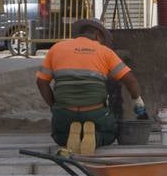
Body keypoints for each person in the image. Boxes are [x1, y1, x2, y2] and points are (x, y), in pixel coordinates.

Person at [37, 18, 146, 155]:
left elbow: (41, 82)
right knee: (110, 133)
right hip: (95, 112)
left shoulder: (56, 49)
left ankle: (71, 136)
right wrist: (137, 101)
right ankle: (95, 137)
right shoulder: (105, 52)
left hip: (65, 112)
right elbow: (131, 82)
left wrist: (54, 106)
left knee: (59, 136)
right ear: (97, 35)